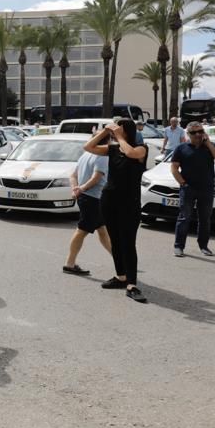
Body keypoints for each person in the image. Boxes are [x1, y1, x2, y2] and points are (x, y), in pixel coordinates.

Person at [84, 119, 148, 303]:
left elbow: (130, 153)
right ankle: (121, 277)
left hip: (129, 203)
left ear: (126, 130)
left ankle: (132, 284)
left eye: (118, 127)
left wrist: (118, 136)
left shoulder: (141, 148)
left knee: (128, 242)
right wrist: (105, 132)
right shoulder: (112, 149)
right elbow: (88, 147)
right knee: (116, 241)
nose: (115, 130)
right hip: (110, 200)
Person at [171, 121, 215, 257]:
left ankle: (204, 246)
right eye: (194, 132)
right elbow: (174, 168)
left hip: (206, 188)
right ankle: (179, 246)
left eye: (200, 131)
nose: (197, 134)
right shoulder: (181, 148)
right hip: (188, 188)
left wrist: (208, 144)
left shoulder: (210, 146)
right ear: (188, 134)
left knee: (205, 219)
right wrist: (183, 184)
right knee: (184, 218)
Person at [62, 149, 112, 275]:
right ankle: (69, 264)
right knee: (82, 230)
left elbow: (73, 175)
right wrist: (81, 188)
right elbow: (96, 178)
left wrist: (76, 189)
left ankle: (119, 260)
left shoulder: (86, 154)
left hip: (86, 197)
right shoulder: (103, 157)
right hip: (93, 199)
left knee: (102, 230)